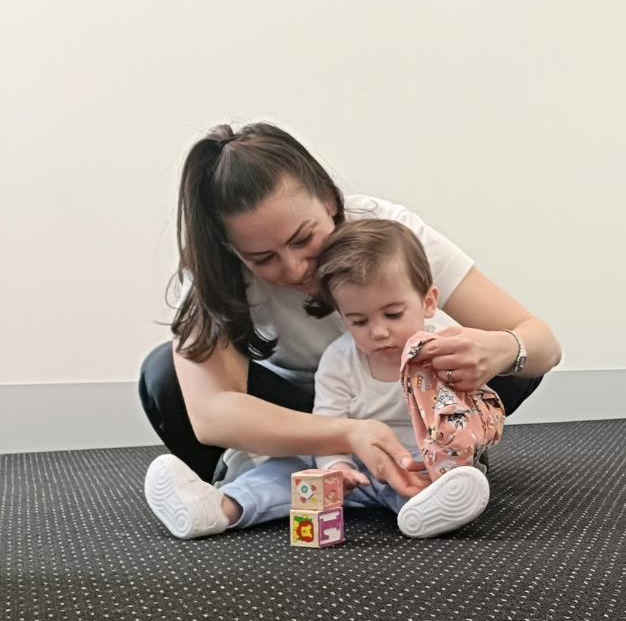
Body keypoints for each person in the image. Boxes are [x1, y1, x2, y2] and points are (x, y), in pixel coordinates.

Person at [139, 122, 560, 503]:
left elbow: (543, 345)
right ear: (231, 249)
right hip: (303, 413)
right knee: (164, 375)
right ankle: (248, 486)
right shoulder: (214, 273)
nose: (295, 268)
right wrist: (346, 433)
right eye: (262, 258)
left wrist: (503, 348)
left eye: (304, 239)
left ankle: (437, 459)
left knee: (512, 362)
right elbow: (211, 415)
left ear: (329, 200)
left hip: (401, 400)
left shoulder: (388, 232)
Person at [145, 219, 504, 540]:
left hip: (411, 460)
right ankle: (220, 509)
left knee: (421, 479)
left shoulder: (445, 346)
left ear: (428, 303)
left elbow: (466, 412)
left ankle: (427, 512)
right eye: (358, 321)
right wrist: (337, 468)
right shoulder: (340, 359)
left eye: (393, 314)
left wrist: (454, 453)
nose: (378, 332)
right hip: (349, 462)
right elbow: (327, 424)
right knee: (282, 473)